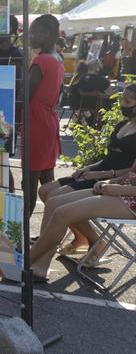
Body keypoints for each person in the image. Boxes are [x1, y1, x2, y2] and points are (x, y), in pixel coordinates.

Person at [38, 84, 136, 253]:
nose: (122, 104)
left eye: (127, 101)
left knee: (55, 198)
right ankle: (81, 237)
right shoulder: (122, 125)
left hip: (110, 178)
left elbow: (131, 171)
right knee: (45, 190)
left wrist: (103, 174)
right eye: (122, 99)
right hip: (99, 171)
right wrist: (86, 168)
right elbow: (109, 158)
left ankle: (46, 247)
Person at [30, 169, 136, 282]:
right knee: (54, 202)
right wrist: (109, 182)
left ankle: (28, 260)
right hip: (123, 188)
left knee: (62, 214)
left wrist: (122, 189)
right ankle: (39, 261)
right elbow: (131, 173)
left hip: (130, 200)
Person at [27, 14, 64, 218]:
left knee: (30, 183)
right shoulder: (58, 59)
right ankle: (54, 225)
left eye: (34, 33)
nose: (30, 37)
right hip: (48, 123)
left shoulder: (41, 60)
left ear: (47, 34)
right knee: (47, 182)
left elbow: (25, 95)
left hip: (36, 124)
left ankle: (23, 231)